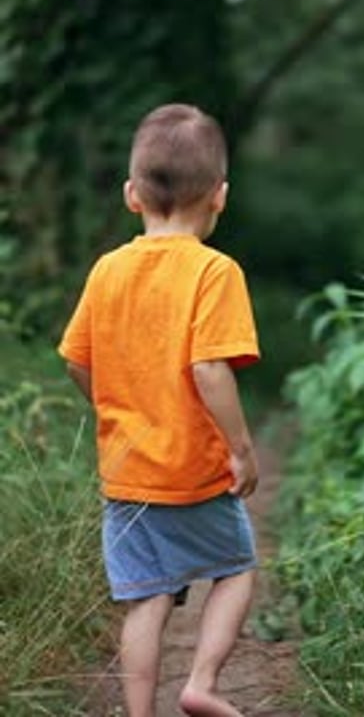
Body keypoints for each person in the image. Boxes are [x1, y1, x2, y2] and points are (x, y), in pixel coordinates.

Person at [58, 104, 260, 717]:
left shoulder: (107, 271)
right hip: (193, 471)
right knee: (237, 569)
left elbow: (75, 358)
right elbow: (208, 367)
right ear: (219, 197)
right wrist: (241, 448)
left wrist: (115, 408)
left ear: (131, 195)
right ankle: (200, 682)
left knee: (145, 600)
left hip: (128, 473)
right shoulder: (214, 271)